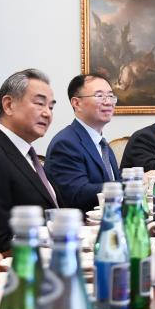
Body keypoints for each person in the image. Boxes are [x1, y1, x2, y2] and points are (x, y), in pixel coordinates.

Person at [0, 69, 61, 252]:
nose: (47, 113)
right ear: (8, 105)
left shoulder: (28, 156)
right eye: (40, 103)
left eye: (51, 107)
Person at [45, 74, 121, 211]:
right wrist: (130, 184)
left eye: (110, 96)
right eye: (100, 96)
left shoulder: (103, 145)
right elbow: (78, 194)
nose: (108, 102)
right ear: (76, 103)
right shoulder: (65, 144)